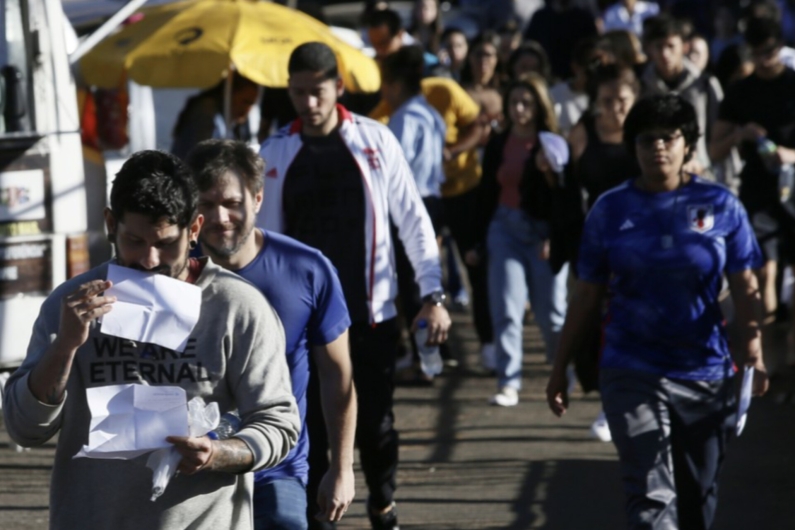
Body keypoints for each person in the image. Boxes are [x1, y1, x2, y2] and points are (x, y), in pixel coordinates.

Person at [2, 150, 300, 530]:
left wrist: (218, 453)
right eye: (134, 240)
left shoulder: (237, 306)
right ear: (111, 223)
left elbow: (278, 422)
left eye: (165, 243)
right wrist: (65, 347)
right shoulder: (72, 303)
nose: (148, 259)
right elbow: (25, 428)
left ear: (194, 229)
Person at [546, 94, 769, 530]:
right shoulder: (610, 210)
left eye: (669, 138)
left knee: (697, 497)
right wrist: (560, 369)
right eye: (647, 140)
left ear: (688, 143)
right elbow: (586, 296)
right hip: (631, 368)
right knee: (650, 495)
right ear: (633, 147)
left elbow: (746, 287)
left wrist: (756, 355)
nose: (658, 148)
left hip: (705, 370)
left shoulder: (722, 206)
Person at [258, 42, 451, 530]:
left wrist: (432, 294)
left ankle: (383, 503)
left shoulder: (375, 139)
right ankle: (320, 516)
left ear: (338, 87)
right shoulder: (275, 149)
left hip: (369, 313)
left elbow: (413, 219)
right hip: (300, 321)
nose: (309, 103)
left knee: (375, 425)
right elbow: (257, 237)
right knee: (311, 429)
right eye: (298, 93)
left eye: (318, 92)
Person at [186, 140, 356, 530]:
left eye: (231, 203)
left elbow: (337, 376)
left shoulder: (307, 269)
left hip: (276, 469)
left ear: (258, 199)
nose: (220, 217)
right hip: (190, 470)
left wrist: (342, 469)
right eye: (206, 204)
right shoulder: (165, 275)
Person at [467, 75, 569, 407]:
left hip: (542, 232)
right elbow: (485, 194)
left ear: (539, 106)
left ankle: (560, 371)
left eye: (527, 102)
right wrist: (476, 241)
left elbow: (564, 198)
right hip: (504, 228)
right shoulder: (498, 143)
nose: (520, 109)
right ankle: (508, 380)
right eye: (514, 103)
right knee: (507, 307)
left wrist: (555, 237)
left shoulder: (552, 142)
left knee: (551, 313)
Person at [710, 16, 795, 333]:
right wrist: (740, 135)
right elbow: (715, 149)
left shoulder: (791, 84)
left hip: (793, 188)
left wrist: (789, 156)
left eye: (769, 52)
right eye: (757, 53)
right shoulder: (741, 92)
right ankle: (768, 362)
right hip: (758, 189)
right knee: (764, 273)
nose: (763, 60)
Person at [380, 46, 447, 374]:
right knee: (427, 272)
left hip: (410, 202)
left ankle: (425, 356)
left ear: (393, 84)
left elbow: (394, 168)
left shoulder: (405, 118)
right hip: (433, 199)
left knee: (410, 282)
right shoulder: (431, 113)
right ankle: (431, 351)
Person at [640, 15, 723, 177]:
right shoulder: (642, 88)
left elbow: (719, 132)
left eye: (671, 46)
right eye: (659, 47)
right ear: (650, 49)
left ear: (684, 47)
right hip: (656, 174)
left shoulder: (704, 84)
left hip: (701, 171)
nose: (665, 54)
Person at [171, 73, 260, 159]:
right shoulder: (205, 111)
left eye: (252, 104)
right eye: (245, 101)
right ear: (230, 94)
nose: (248, 108)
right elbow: (201, 154)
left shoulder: (233, 122)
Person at [523, 0, 598, 80]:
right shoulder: (540, 18)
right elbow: (530, 46)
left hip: (577, 80)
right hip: (546, 79)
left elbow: (593, 47)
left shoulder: (584, 18)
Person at [460, 31, 505, 142]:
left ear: (497, 59)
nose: (483, 60)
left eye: (488, 55)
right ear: (470, 57)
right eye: (479, 54)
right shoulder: (459, 90)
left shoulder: (505, 92)